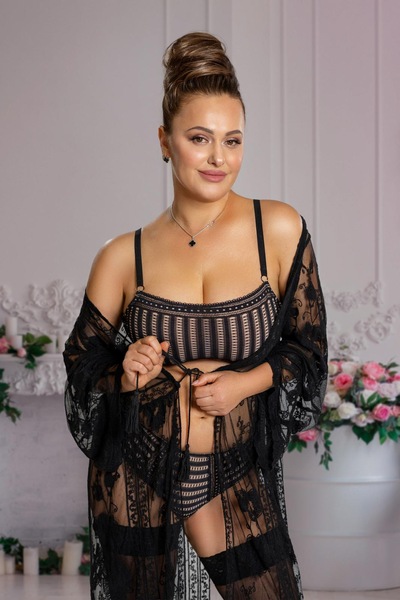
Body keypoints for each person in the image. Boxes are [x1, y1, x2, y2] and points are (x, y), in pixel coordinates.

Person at [63, 32, 327, 600]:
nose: (218, 158)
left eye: (232, 140)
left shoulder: (278, 229)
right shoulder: (123, 256)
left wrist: (242, 385)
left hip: (233, 465)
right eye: (199, 138)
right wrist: (126, 370)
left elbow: (308, 351)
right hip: (139, 469)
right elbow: (81, 362)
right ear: (165, 140)